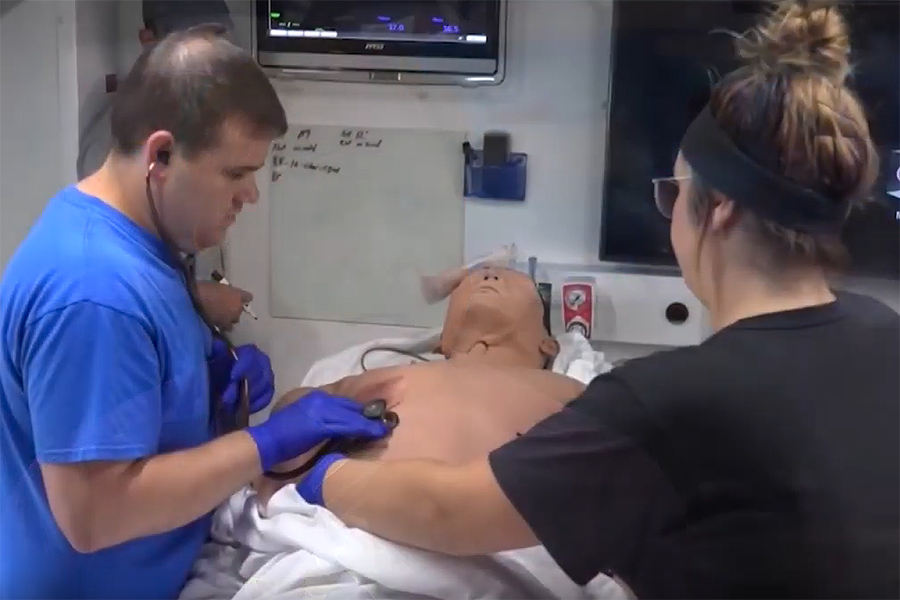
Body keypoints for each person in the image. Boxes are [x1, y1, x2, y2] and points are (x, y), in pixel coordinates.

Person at [292, 3, 900, 599]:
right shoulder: (886, 337)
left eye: (672, 196)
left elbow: (450, 514)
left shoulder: (667, 401)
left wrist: (323, 477)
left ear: (717, 208)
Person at [0, 25, 389, 600]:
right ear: (161, 155)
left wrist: (200, 388)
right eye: (236, 174)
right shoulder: (93, 290)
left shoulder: (146, 246)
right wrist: (267, 443)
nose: (249, 196)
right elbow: (96, 516)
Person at [253, 265, 586, 505]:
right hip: (358, 540)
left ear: (549, 345)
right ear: (443, 341)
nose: (488, 275)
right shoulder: (393, 377)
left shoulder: (569, 391)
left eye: (512, 278)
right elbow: (288, 426)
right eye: (473, 279)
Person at [77, 0, 250, 332]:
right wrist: (199, 299)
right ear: (149, 40)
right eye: (193, 45)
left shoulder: (200, 118)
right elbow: (110, 278)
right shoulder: (117, 135)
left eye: (218, 43)